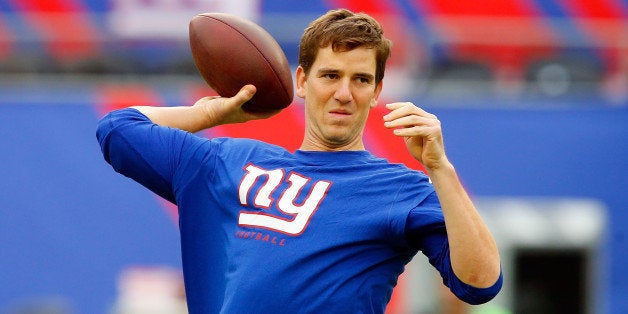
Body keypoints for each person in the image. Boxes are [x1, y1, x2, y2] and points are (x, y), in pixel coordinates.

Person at [96, 8, 502, 313]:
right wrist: (210, 114)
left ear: (377, 91)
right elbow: (117, 130)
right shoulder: (228, 161)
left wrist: (439, 168)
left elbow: (480, 284)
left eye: (360, 80)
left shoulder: (401, 189)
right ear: (303, 81)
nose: (344, 92)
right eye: (330, 75)